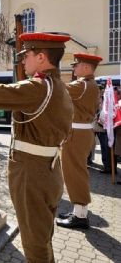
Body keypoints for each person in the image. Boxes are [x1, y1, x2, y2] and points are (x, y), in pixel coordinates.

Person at [0, 32, 73, 262]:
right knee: (42, 235)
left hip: (31, 173)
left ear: (41, 57)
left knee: (34, 243)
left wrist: (22, 86)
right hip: (49, 169)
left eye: (26, 55)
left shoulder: (38, 87)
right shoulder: (60, 86)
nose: (23, 60)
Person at [56, 53, 102, 229]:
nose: (74, 68)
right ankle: (78, 211)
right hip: (80, 132)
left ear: (86, 67)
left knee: (74, 173)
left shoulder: (82, 84)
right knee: (77, 171)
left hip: (76, 133)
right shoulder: (90, 85)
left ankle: (80, 216)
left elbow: (59, 88)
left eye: (77, 65)